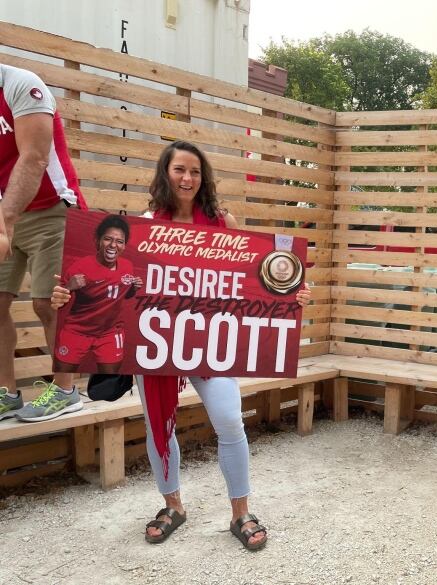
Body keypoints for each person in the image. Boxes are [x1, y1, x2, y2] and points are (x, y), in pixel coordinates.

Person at [52, 140, 311, 551]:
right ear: (165, 174)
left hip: (210, 340)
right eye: (179, 170)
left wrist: (290, 295)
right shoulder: (144, 225)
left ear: (203, 177)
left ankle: (241, 512)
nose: (187, 178)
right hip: (156, 339)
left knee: (229, 420)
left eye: (194, 171)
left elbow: (251, 281)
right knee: (158, 426)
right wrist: (68, 298)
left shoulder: (224, 222)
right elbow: (117, 283)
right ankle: (173, 505)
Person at [0, 63, 87, 423]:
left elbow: (34, 158)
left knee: (46, 302)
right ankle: (7, 394)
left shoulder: (21, 84)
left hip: (52, 207)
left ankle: (66, 390)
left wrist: (4, 222)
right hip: (5, 210)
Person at [54, 214, 142, 374]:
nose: (113, 245)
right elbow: (57, 307)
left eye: (119, 241)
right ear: (98, 240)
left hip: (109, 333)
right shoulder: (79, 268)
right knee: (62, 376)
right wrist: (68, 287)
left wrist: (133, 289)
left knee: (110, 380)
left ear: (124, 245)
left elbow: (122, 295)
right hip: (77, 331)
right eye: (108, 239)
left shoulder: (127, 266)